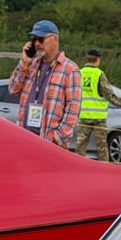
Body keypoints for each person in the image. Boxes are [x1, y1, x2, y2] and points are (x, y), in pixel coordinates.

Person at [8, 20, 81, 150]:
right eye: (34, 39)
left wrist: (57, 139)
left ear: (55, 39)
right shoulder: (31, 65)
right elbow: (13, 89)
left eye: (41, 39)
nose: (37, 43)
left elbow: (73, 110)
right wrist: (24, 64)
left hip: (50, 145)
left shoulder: (70, 69)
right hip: (25, 140)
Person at [76, 49, 121, 163]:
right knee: (102, 146)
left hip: (84, 115)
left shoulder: (79, 73)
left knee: (81, 145)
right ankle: (104, 168)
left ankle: (78, 165)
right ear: (98, 60)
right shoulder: (98, 74)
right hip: (98, 117)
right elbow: (108, 94)